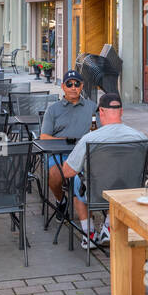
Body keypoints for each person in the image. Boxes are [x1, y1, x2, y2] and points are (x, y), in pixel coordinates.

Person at [60, 94, 148, 247]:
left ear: (101, 112)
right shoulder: (139, 136)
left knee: (76, 183)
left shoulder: (90, 139)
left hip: (97, 194)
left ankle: (88, 232)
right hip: (130, 193)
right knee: (119, 179)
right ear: (121, 111)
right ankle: (109, 227)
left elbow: (67, 172)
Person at [39, 70, 97, 220]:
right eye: (69, 84)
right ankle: (61, 200)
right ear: (63, 87)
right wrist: (64, 140)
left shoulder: (92, 107)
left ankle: (90, 222)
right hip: (60, 153)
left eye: (77, 84)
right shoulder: (53, 109)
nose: (73, 87)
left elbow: (101, 131)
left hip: (86, 154)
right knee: (55, 175)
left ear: (82, 86)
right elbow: (44, 136)